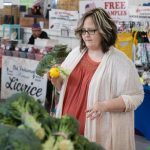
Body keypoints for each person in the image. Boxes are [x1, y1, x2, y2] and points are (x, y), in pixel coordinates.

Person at [49, 8, 144, 150]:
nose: (86, 35)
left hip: (98, 139)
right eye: (83, 31)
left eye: (91, 31)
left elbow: (136, 96)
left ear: (104, 31)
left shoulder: (120, 61)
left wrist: (104, 105)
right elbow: (64, 89)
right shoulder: (75, 54)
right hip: (67, 134)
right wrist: (56, 81)